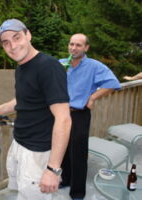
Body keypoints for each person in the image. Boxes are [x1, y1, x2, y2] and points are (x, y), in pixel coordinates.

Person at [0, 19, 72, 200]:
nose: (13, 46)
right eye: (6, 43)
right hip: (20, 143)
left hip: (38, 153)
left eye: (17, 38)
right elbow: (22, 100)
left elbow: (64, 119)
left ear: (28, 35)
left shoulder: (49, 67)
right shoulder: (22, 66)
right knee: (20, 193)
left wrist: (52, 169)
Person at [59, 33, 121, 200]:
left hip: (80, 114)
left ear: (86, 48)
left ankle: (78, 192)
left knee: (78, 153)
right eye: (71, 44)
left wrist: (93, 97)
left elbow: (113, 83)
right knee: (62, 148)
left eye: (78, 45)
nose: (73, 48)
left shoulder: (94, 66)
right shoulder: (61, 64)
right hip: (61, 114)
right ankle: (66, 180)